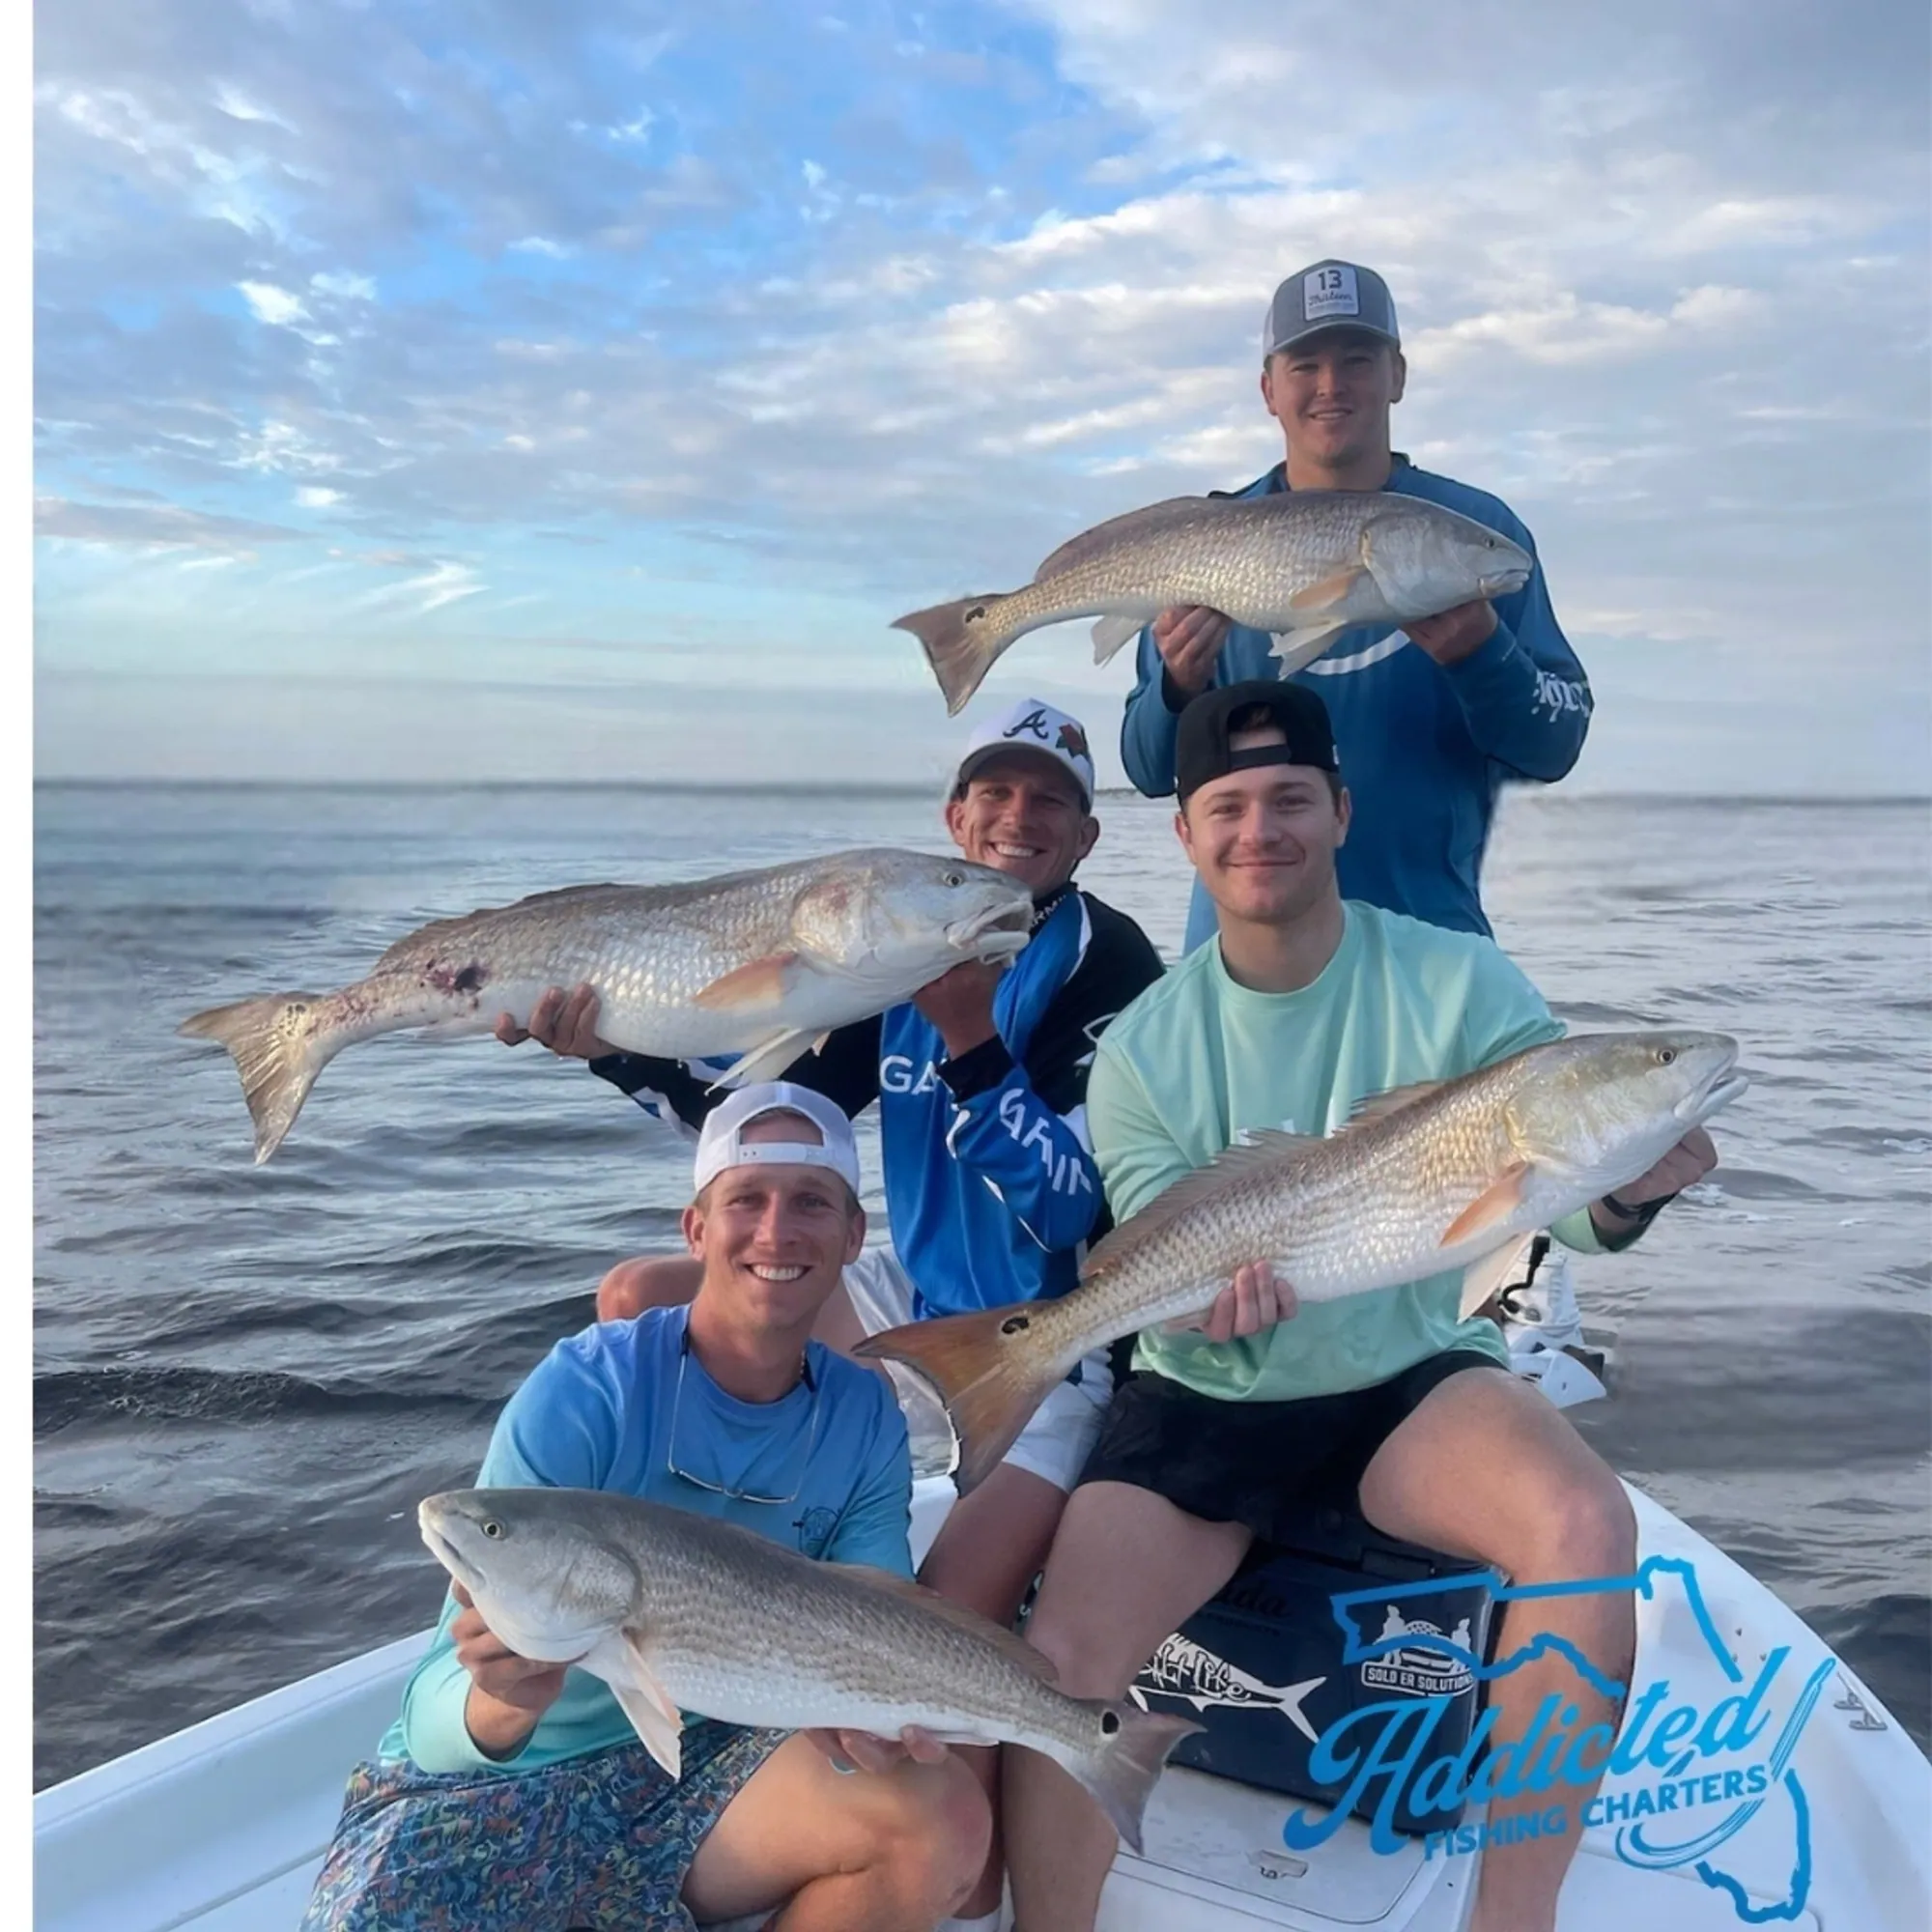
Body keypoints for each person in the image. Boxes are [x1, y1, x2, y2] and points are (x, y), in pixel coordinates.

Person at [1001, 683, 1719, 1932]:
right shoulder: (1143, 1052)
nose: (1258, 830)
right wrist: (1190, 1314)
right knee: (1061, 1664)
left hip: (1405, 1374)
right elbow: (1159, 1285)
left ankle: (1513, 1922)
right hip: (1208, 1389)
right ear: (1186, 837)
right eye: (1226, 807)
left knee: (1583, 1524)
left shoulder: (1461, 983)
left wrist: (1633, 1197)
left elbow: (1561, 1211)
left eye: (1290, 800)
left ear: (1341, 810)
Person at [496, 696, 1164, 1932]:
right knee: (642, 1295)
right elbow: (754, 1115)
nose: (1017, 818)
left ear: (1081, 836)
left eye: (1048, 800)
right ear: (954, 818)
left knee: (940, 1620)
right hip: (908, 1288)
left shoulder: (1109, 967)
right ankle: (674, 1606)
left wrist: (968, 1039)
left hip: (1049, 1327)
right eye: (993, 795)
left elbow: (1084, 1205)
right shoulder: (891, 948)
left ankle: (952, 1850)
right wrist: (602, 1042)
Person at [301, 1085, 989, 1932]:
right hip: (500, 1785)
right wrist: (506, 1701)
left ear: (854, 1236)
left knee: (941, 1815)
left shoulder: (864, 1416)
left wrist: (874, 1720)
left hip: (713, 1764)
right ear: (696, 1228)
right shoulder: (587, 1391)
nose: (776, 1231)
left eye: (810, 1201)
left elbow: (876, 1613)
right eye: (746, 1199)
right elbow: (429, 1715)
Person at [1120, 257, 1599, 1381]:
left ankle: (1445, 1447)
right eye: (1306, 364)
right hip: (1251, 979)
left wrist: (1479, 653)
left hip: (1433, 964)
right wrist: (1174, 683)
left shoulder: (1472, 531)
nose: (1329, 383)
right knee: (1238, 1270)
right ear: (1268, 387)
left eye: (1353, 359)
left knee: (1437, 1303)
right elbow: (1150, 765)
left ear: (1394, 372)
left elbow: (1555, 737)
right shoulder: (1216, 535)